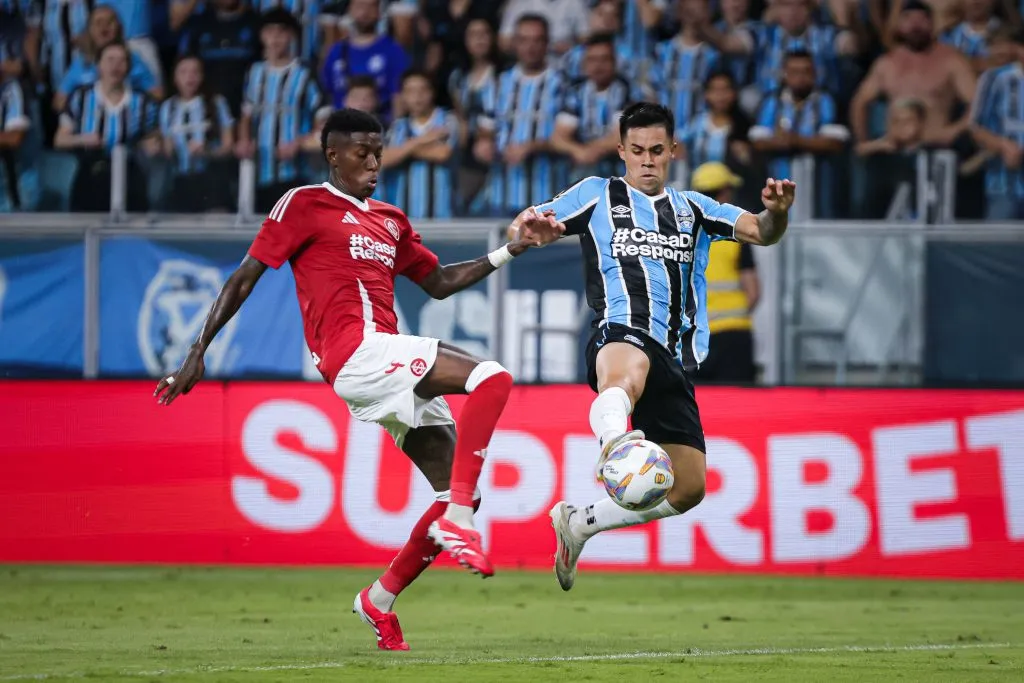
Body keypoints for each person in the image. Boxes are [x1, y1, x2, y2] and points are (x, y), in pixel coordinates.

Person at [152, 108, 563, 649]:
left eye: (378, 151)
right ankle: (459, 521)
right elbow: (245, 275)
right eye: (361, 152)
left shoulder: (390, 219)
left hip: (386, 362)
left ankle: (380, 599)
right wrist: (197, 350)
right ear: (333, 156)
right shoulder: (303, 204)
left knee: (456, 490)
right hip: (356, 354)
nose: (373, 162)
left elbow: (438, 282)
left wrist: (513, 247)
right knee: (492, 378)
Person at [509, 101, 794, 591]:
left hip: (673, 355)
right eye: (636, 150)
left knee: (688, 488)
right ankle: (615, 448)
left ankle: (580, 523)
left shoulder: (695, 208)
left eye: (656, 151)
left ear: (672, 152)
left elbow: (761, 233)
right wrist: (527, 232)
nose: (646, 160)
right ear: (620, 151)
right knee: (626, 375)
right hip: (618, 329)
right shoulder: (596, 195)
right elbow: (526, 223)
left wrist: (777, 213)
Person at [237, 8, 328, 212]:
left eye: (281, 32)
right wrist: (244, 139)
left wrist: (300, 143)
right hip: (260, 170)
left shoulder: (305, 74)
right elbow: (246, 113)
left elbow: (321, 118)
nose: (275, 38)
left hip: (296, 172)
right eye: (269, 32)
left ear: (291, 36)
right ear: (262, 36)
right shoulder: (254, 72)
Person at [689, 162, 760, 383]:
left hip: (693, 337)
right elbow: (754, 292)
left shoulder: (681, 236)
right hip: (733, 335)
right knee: (736, 407)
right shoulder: (736, 237)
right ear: (722, 194)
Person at [381, 68, 459, 218]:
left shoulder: (448, 120)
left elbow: (442, 153)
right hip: (405, 218)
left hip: (442, 216)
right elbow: (383, 159)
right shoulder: (398, 126)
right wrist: (422, 140)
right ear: (403, 96)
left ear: (432, 92)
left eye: (423, 90)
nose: (417, 96)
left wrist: (403, 150)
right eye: (410, 91)